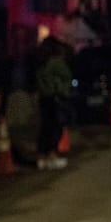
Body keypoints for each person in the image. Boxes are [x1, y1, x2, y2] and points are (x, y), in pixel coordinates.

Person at [34, 37, 71, 170]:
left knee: (45, 127)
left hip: (45, 98)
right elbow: (66, 77)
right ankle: (51, 155)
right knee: (56, 127)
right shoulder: (56, 63)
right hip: (56, 98)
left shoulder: (40, 63)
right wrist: (61, 90)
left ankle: (42, 157)